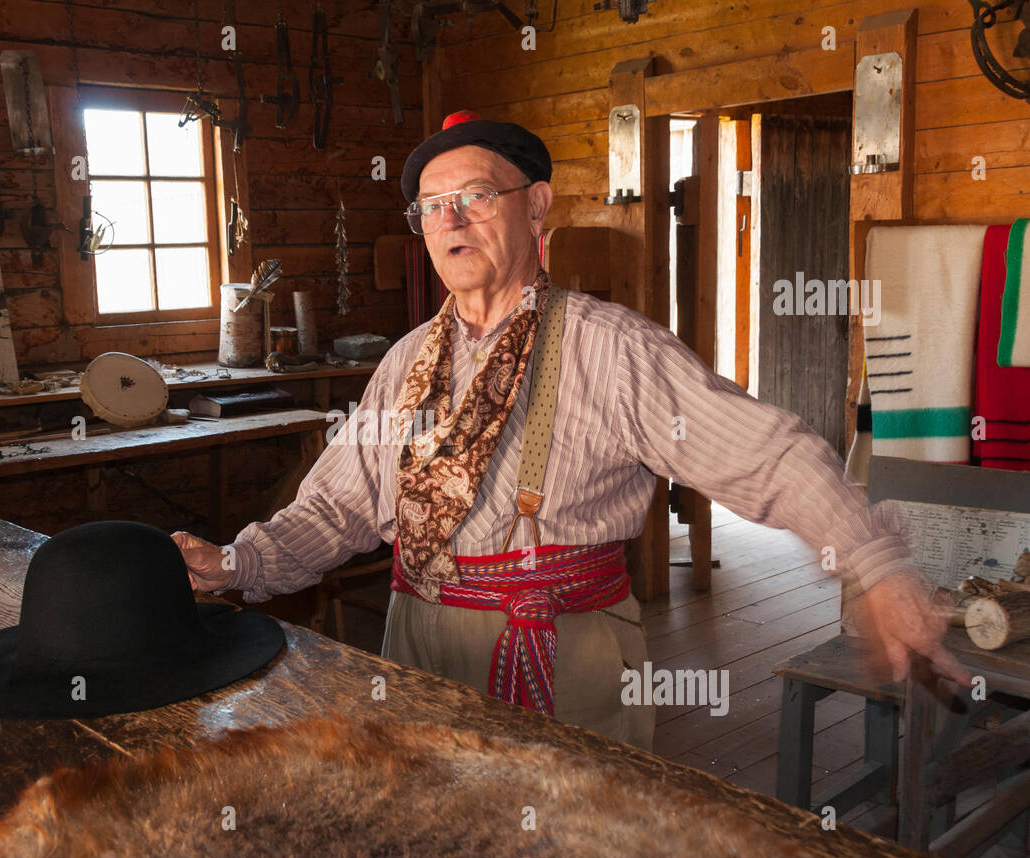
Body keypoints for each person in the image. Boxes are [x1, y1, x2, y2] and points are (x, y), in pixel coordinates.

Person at [173, 110, 969, 750]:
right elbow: (337, 508)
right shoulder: (406, 362)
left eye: (478, 195)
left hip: (560, 652)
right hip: (413, 640)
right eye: (432, 206)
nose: (453, 218)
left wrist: (869, 561)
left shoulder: (611, 348)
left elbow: (769, 451)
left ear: (537, 205)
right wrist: (239, 562)